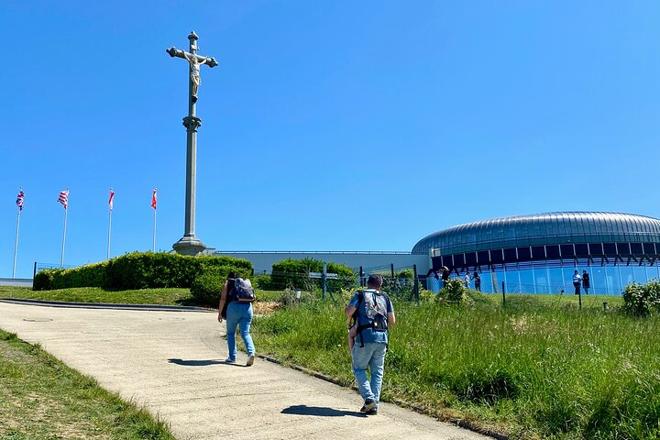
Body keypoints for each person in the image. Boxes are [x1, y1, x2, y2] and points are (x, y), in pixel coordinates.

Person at [345, 274, 395, 415]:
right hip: (382, 338)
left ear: (368, 283)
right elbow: (392, 321)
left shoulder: (360, 294)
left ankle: (369, 399)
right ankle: (373, 406)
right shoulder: (385, 297)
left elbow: (349, 312)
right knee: (377, 373)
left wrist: (348, 310)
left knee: (359, 368)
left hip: (364, 337)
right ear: (380, 285)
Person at [218, 272, 256, 366]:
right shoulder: (246, 283)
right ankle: (251, 353)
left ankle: (232, 357)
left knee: (231, 333)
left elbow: (223, 299)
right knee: (245, 333)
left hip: (233, 308)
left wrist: (220, 313)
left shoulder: (228, 283)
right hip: (248, 308)